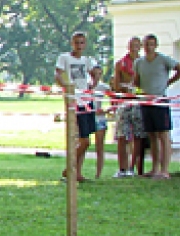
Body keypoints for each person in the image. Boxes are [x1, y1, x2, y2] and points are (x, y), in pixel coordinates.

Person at [133, 34, 180, 179]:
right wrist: (139, 88)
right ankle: (155, 168)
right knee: (152, 135)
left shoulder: (163, 59)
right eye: (146, 44)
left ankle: (165, 169)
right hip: (146, 100)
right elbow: (136, 80)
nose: (148, 47)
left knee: (164, 135)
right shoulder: (139, 62)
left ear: (155, 45)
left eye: (151, 44)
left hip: (160, 99)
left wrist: (168, 82)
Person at [55, 31, 100, 182]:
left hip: (87, 101)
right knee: (82, 140)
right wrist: (67, 88)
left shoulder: (86, 60)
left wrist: (94, 81)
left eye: (82, 43)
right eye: (77, 42)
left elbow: (95, 72)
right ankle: (69, 168)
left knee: (86, 141)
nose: (79, 46)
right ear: (72, 43)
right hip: (75, 101)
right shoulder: (64, 58)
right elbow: (58, 74)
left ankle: (77, 173)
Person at [111, 36, 144, 177]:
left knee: (138, 135)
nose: (134, 48)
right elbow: (116, 85)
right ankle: (122, 168)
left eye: (137, 45)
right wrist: (125, 87)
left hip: (139, 102)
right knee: (122, 135)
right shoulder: (121, 64)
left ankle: (133, 167)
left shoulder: (143, 63)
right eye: (132, 45)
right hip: (124, 102)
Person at [90, 66, 111, 179]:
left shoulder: (103, 87)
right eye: (94, 74)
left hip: (99, 118)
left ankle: (98, 174)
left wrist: (107, 109)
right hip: (88, 116)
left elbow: (115, 98)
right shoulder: (86, 86)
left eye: (98, 74)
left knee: (100, 146)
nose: (96, 76)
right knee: (83, 143)